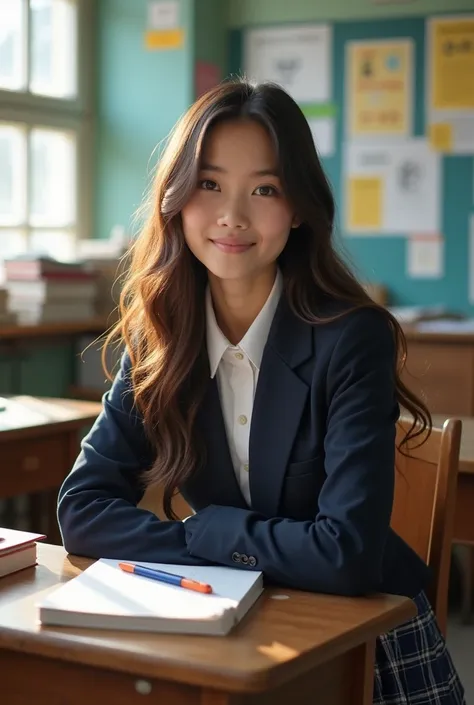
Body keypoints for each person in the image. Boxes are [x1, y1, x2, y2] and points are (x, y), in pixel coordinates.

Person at [58, 79, 465, 704]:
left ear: (298, 206)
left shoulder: (352, 340)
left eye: (265, 189)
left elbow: (347, 555)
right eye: (210, 184)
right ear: (176, 198)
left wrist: (209, 531)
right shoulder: (161, 338)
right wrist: (210, 542)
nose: (232, 216)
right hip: (228, 621)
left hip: (365, 637)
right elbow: (83, 511)